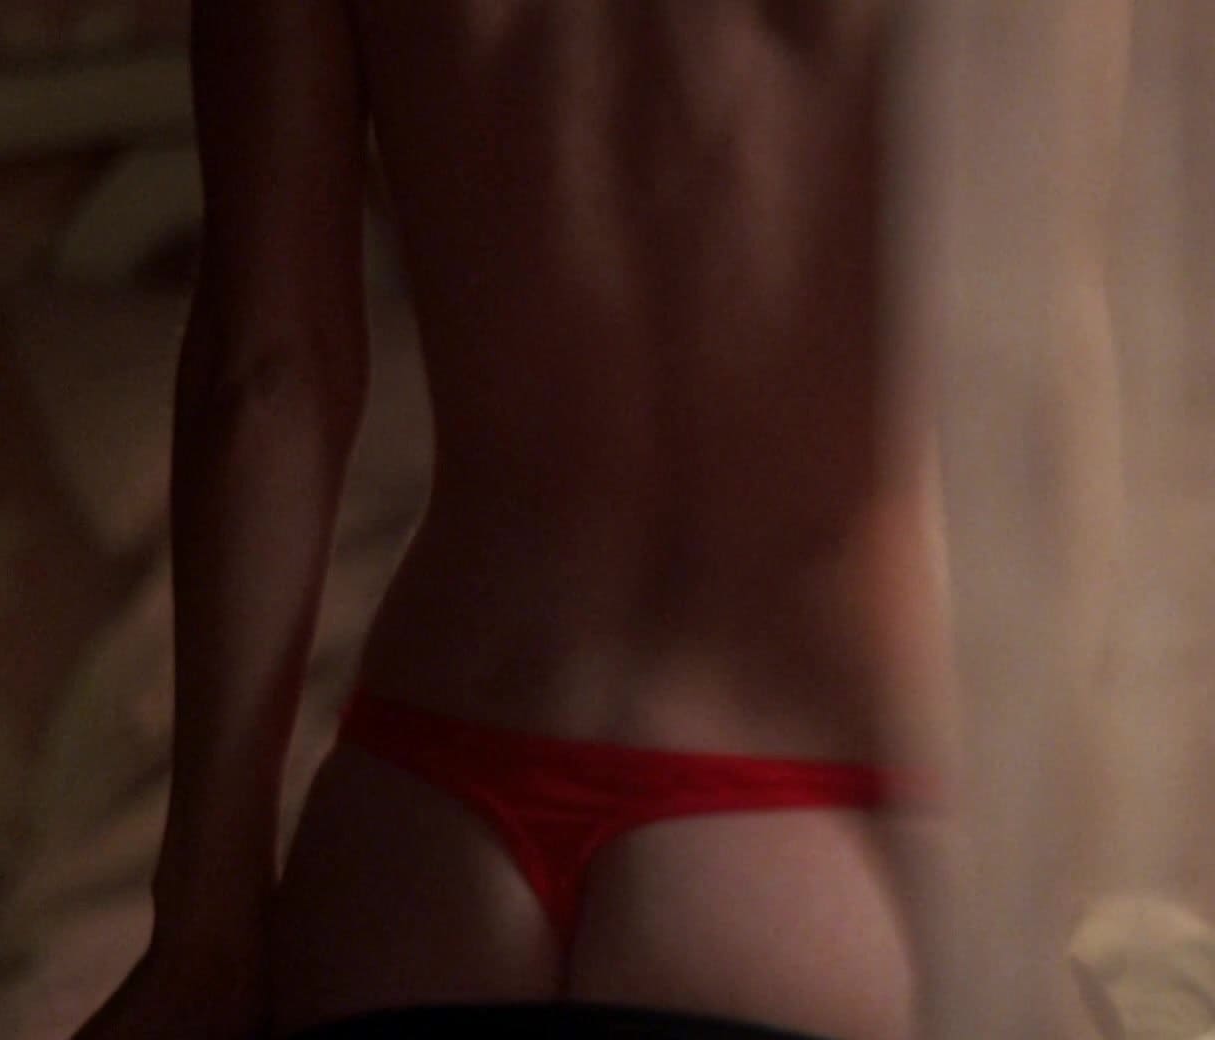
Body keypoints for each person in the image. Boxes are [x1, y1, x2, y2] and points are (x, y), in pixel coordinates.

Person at [71, 2, 1131, 1038]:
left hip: (425, 829)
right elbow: (1032, 402)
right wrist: (1028, 901)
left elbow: (264, 380)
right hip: (813, 844)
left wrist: (202, 927)